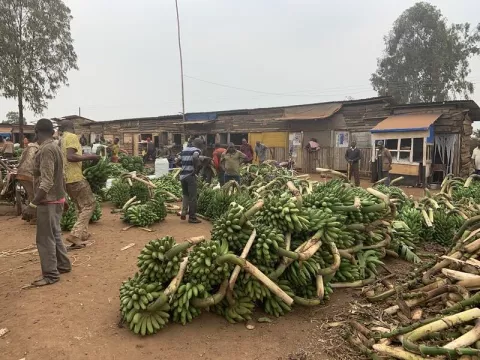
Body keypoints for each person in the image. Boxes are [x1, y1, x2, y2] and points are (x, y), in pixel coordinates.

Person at [22, 118, 71, 287]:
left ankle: (50, 274)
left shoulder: (46, 150)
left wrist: (33, 204)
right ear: (52, 132)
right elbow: (61, 175)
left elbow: (47, 181)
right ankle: (63, 265)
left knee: (45, 239)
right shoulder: (55, 147)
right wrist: (63, 197)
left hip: (48, 201)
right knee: (55, 234)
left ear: (36, 132)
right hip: (56, 199)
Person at [59, 120, 100, 250]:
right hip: (75, 177)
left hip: (66, 178)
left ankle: (82, 233)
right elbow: (71, 157)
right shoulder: (71, 136)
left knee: (80, 206)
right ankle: (75, 234)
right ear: (71, 127)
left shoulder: (62, 139)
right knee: (90, 204)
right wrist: (90, 156)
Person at [177, 138, 205, 224]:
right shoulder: (196, 150)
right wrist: (196, 169)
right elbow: (195, 157)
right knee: (193, 197)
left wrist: (184, 167)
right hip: (190, 176)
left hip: (182, 176)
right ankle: (192, 217)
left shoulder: (184, 150)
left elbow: (177, 161)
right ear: (199, 144)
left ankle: (184, 212)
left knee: (186, 195)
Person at [16, 138, 40, 224]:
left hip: (21, 173)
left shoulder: (28, 147)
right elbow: (35, 163)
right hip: (29, 174)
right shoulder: (36, 148)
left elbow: (20, 160)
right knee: (34, 196)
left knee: (31, 195)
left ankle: (29, 216)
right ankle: (33, 218)